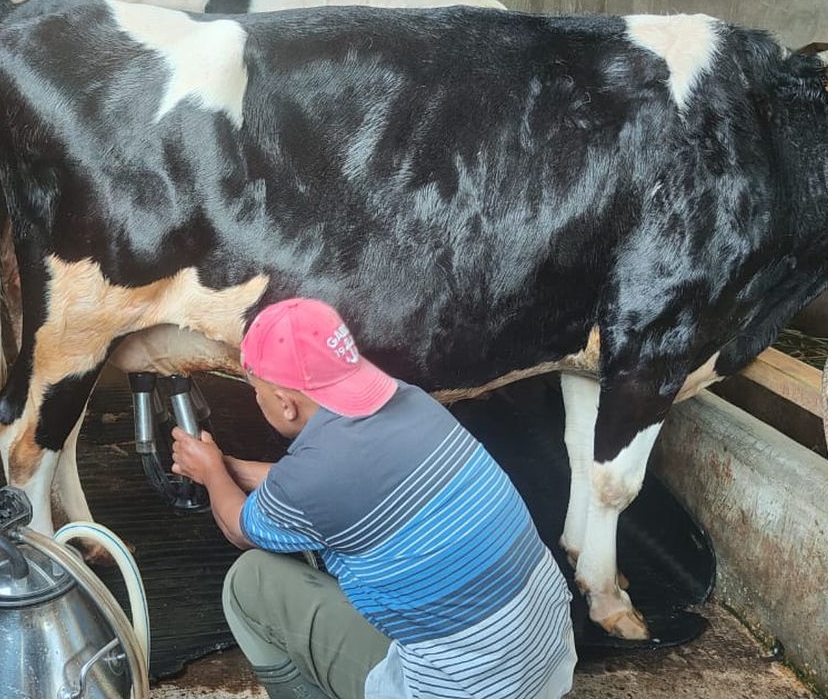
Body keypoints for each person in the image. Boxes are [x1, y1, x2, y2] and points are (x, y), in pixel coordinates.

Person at [170, 297, 577, 699]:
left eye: (255, 389)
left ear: (284, 404)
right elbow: (324, 490)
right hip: (546, 660)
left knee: (248, 582)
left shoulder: (313, 479)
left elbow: (238, 527)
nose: (256, 398)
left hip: (459, 690)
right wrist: (224, 465)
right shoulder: (413, 402)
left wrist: (209, 474)